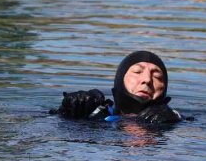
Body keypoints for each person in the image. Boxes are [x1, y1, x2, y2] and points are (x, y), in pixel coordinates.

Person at [54, 51, 182, 125]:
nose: (147, 79)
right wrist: (68, 109)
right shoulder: (95, 114)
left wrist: (174, 120)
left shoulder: (174, 120)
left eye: (157, 77)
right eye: (137, 72)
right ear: (120, 80)